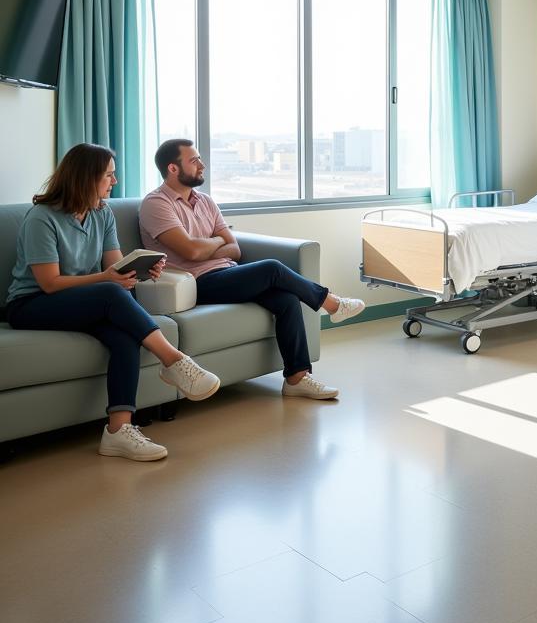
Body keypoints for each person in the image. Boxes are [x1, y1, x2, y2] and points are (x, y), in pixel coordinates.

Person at [6, 144, 221, 462]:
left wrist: (142, 270)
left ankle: (118, 431)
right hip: (32, 303)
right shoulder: (42, 217)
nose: (115, 181)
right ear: (86, 177)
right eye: (108, 174)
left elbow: (117, 267)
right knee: (110, 292)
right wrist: (108, 279)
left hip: (82, 301)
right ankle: (173, 361)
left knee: (124, 336)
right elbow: (49, 283)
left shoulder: (101, 213)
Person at [138, 140, 364, 401]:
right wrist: (216, 241)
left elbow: (235, 249)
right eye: (194, 160)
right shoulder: (156, 204)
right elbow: (191, 252)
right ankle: (331, 303)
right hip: (193, 284)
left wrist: (210, 245)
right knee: (271, 268)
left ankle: (296, 378)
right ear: (173, 168)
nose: (202, 165)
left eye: (200, 159)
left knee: (287, 299)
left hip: (227, 273)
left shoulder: (206, 201)